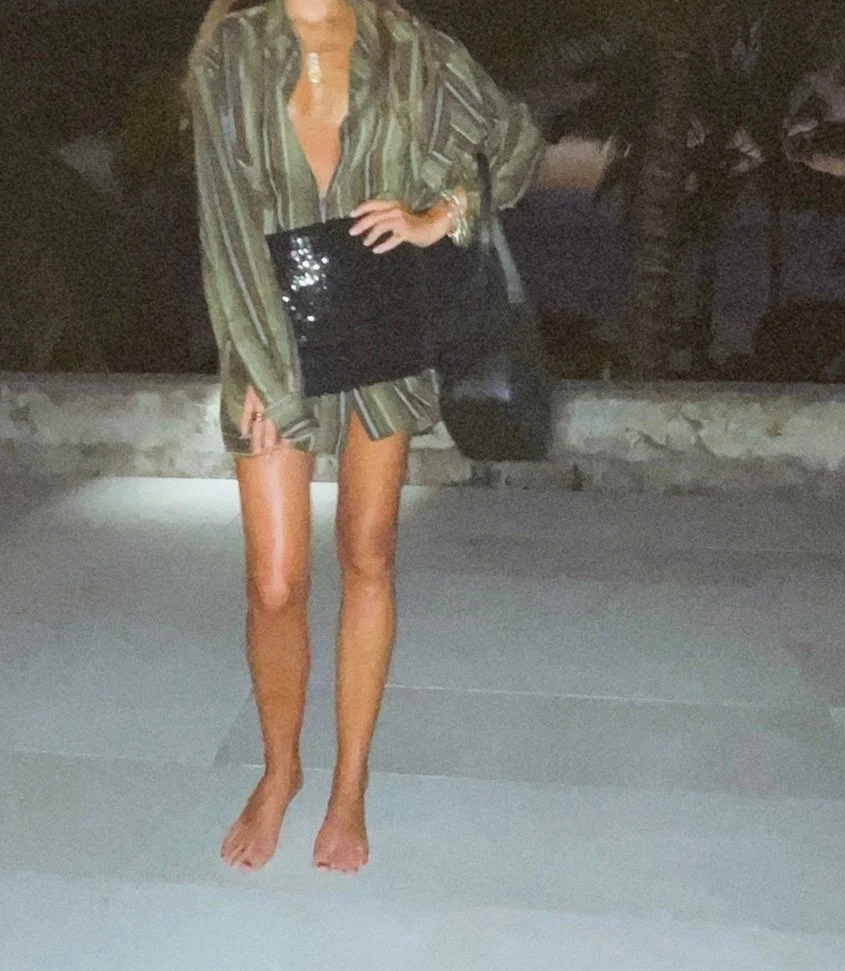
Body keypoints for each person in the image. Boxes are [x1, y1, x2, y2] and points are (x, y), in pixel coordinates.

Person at [185, 0, 545, 873]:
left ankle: (349, 784)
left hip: (382, 325)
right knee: (275, 580)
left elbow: (515, 146)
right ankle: (281, 771)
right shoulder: (234, 49)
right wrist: (260, 364)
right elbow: (223, 218)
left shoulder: (415, 48)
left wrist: (440, 213)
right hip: (270, 332)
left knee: (368, 554)